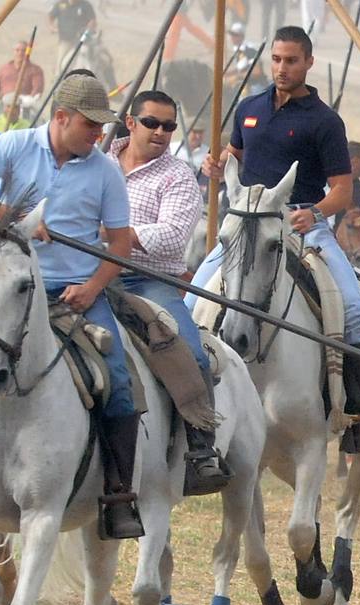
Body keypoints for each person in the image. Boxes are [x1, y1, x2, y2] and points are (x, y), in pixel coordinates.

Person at [0, 74, 144, 539]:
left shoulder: (105, 170)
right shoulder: (13, 146)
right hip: (4, 288)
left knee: (117, 381)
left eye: (101, 127)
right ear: (61, 118)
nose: (99, 135)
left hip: (73, 293)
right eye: (91, 125)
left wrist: (93, 288)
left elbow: (118, 245)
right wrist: (13, 218)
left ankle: (117, 494)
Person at [196, 26, 360, 454]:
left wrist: (314, 212)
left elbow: (343, 189)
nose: (282, 68)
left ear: (308, 62)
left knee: (354, 308)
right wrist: (217, 162)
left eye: (291, 60)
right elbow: (236, 159)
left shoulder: (325, 121)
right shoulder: (249, 109)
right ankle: (197, 414)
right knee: (192, 304)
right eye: (277, 59)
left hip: (304, 225)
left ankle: (359, 414)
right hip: (249, 225)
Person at [110, 89, 229, 495]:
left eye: (168, 126)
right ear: (130, 122)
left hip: (149, 280)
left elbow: (173, 237)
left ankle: (201, 448)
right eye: (151, 123)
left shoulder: (177, 174)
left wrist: (116, 235)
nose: (160, 132)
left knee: (191, 351)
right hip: (91, 274)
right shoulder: (98, 162)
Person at [49, 0, 97, 64]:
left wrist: (89, 28)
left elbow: (92, 20)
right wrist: (51, 27)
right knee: (61, 63)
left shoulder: (86, 5)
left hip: (82, 41)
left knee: (93, 61)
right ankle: (59, 73)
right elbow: (51, 16)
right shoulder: (60, 4)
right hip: (66, 40)